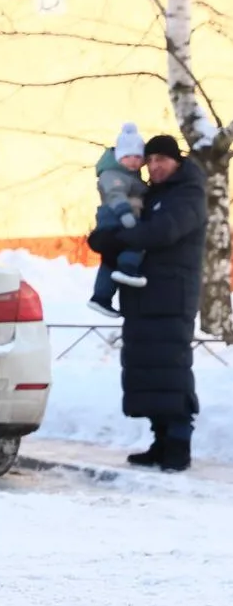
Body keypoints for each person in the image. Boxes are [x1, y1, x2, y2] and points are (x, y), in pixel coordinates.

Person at [87, 133, 207, 472]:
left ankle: (179, 444)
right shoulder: (152, 193)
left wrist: (116, 240)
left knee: (171, 370)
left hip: (171, 296)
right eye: (150, 160)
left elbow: (163, 231)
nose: (154, 166)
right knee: (147, 371)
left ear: (177, 162)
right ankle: (160, 441)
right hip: (142, 296)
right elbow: (125, 216)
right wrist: (102, 237)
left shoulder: (188, 194)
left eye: (161, 160)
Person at [88, 123, 149, 318]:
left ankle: (101, 297)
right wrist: (125, 214)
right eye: (129, 156)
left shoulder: (130, 176)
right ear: (119, 156)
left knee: (109, 261)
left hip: (119, 218)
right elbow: (115, 195)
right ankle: (128, 268)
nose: (133, 161)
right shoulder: (112, 175)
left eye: (138, 157)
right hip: (116, 218)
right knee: (137, 241)